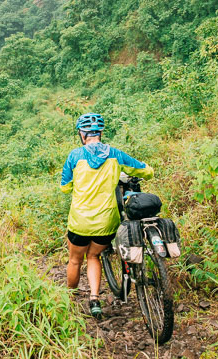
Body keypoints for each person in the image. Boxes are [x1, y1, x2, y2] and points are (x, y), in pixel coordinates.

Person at [60, 113, 153, 318]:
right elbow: (146, 170)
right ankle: (94, 299)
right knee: (93, 256)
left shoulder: (74, 157)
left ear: (81, 135)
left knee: (75, 261)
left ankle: (69, 299)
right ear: (100, 133)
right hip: (106, 222)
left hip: (80, 221)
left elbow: (65, 187)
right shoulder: (115, 154)